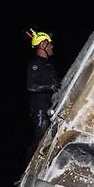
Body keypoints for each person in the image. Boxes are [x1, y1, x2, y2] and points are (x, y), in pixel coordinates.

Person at [26, 29, 60, 161]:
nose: (52, 46)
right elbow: (31, 86)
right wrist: (50, 86)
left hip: (50, 106)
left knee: (50, 138)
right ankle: (27, 169)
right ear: (42, 45)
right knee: (40, 137)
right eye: (49, 44)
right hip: (40, 108)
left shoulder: (49, 66)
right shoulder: (35, 63)